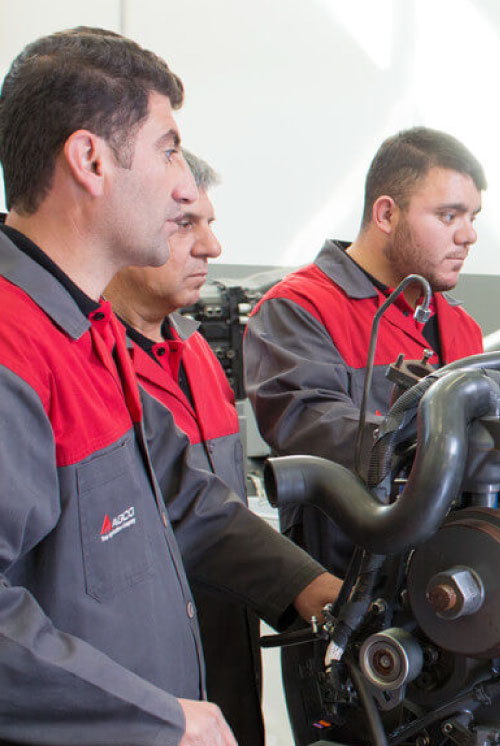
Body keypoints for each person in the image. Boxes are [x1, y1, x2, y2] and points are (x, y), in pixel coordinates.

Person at [0, 27, 340, 746]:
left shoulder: (91, 330)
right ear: (91, 160)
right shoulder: (14, 345)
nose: (185, 183)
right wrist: (154, 718)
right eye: (168, 149)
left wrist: (315, 592)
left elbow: (185, 502)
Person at [244, 127, 486, 577]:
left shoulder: (461, 326)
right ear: (387, 214)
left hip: (446, 578)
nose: (468, 235)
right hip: (345, 583)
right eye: (449, 216)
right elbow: (309, 427)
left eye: (473, 217)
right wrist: (444, 438)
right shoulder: (298, 309)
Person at [103, 149, 265, 746]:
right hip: (144, 684)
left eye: (210, 223)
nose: (211, 247)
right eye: (185, 225)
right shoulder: (91, 363)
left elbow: (215, 507)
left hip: (229, 647)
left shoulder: (196, 350)